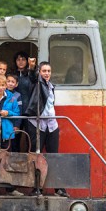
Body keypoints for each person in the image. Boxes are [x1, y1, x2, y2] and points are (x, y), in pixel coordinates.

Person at [25, 61, 69, 197]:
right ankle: (36, 188)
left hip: (51, 124)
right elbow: (32, 77)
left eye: (49, 71)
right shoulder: (36, 83)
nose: (47, 73)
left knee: (53, 156)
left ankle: (58, 188)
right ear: (39, 72)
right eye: (44, 71)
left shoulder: (50, 86)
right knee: (36, 156)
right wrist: (32, 69)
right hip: (37, 124)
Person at [6, 73, 23, 151]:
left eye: (12, 82)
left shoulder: (17, 95)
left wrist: (17, 125)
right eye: (8, 81)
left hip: (13, 125)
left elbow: (19, 111)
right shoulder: (1, 93)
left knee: (14, 144)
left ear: (16, 84)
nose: (10, 83)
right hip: (4, 124)